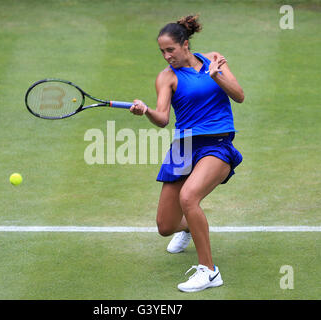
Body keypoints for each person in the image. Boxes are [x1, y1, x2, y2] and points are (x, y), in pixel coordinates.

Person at [129, 14, 244, 292]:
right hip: (183, 148)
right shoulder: (166, 78)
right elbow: (163, 118)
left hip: (216, 144)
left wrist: (216, 75)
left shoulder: (213, 60)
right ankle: (189, 229)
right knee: (165, 226)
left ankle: (209, 272)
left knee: (189, 197)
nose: (167, 56)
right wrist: (146, 112)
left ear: (185, 45)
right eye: (162, 52)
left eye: (171, 50)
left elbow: (239, 95)